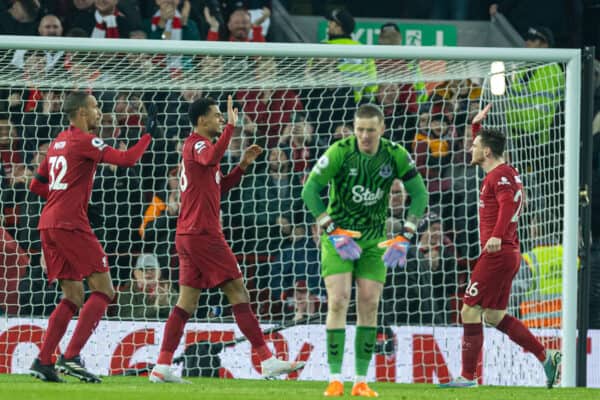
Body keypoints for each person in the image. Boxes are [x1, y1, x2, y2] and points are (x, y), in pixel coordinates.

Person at [149, 96, 304, 383]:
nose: (222, 119)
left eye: (223, 116)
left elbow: (219, 190)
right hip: (203, 234)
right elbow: (210, 157)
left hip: (189, 234)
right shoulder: (198, 144)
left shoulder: (200, 149)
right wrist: (232, 128)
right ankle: (267, 360)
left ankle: (162, 365)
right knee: (238, 293)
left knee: (185, 304)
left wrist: (242, 165)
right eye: (218, 115)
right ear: (201, 120)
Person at [301, 103, 428, 397]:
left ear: (382, 129)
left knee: (369, 303)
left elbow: (420, 193)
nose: (365, 136)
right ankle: (334, 379)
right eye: (360, 130)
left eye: (370, 130)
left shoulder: (395, 154)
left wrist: (406, 235)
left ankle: (360, 380)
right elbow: (309, 190)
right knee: (338, 301)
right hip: (339, 238)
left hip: (373, 240)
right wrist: (331, 231)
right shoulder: (340, 152)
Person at [27, 91, 152, 383]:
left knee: (72, 295)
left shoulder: (59, 141)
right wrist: (147, 136)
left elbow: (36, 185)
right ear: (82, 112)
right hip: (70, 224)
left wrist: (65, 197)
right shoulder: (85, 140)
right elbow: (126, 159)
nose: (100, 112)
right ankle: (70, 356)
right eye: (96, 107)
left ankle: (43, 360)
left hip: (50, 222)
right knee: (104, 290)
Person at [439, 104, 562, 388]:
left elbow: (509, 203)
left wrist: (496, 234)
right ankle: (546, 357)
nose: (471, 149)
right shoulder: (503, 170)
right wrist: (476, 126)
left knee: (469, 310)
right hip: (507, 252)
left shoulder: (499, 176)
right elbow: (506, 193)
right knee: (493, 315)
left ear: (487, 152)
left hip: (498, 251)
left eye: (474, 145)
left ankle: (468, 377)